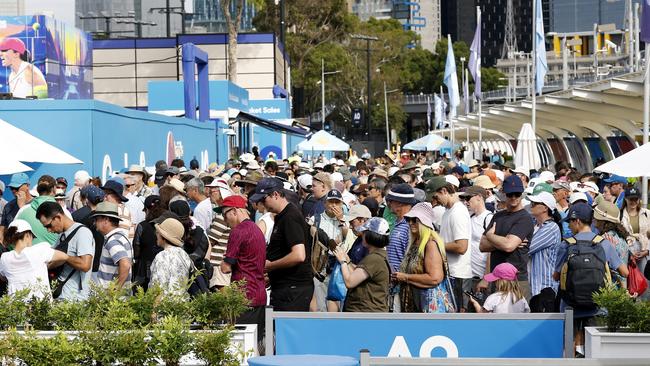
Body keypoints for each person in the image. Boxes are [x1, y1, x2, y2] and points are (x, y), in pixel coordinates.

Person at [553, 202, 629, 357]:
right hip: (598, 306)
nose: (569, 226)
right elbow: (625, 272)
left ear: (577, 221)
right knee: (595, 351)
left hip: (570, 307)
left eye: (570, 222)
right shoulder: (604, 243)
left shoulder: (566, 244)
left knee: (569, 350)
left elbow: (556, 276)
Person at [251, 178, 313, 311]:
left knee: (287, 330)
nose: (262, 204)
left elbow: (298, 255)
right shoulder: (281, 216)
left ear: (276, 194)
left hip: (293, 289)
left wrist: (271, 266)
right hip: (286, 287)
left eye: (264, 199)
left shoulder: (290, 217)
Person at [219, 195, 266, 343]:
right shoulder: (257, 230)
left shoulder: (238, 231)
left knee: (240, 346)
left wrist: (222, 263)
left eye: (224, 215)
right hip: (259, 294)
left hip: (243, 296)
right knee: (255, 345)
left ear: (233, 211)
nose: (225, 221)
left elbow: (226, 267)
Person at [479, 175, 534, 300]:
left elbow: (508, 246)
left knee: (518, 319)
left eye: (517, 194)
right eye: (510, 194)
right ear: (504, 194)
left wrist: (491, 236)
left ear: (522, 194)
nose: (514, 197)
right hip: (496, 279)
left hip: (516, 281)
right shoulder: (498, 216)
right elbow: (482, 246)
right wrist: (503, 241)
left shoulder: (524, 218)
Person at [394, 202, 455, 313]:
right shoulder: (416, 242)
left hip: (429, 307)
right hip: (415, 303)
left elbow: (435, 278)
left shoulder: (430, 244)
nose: (411, 223)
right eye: (408, 220)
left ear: (424, 222)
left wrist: (406, 277)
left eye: (415, 220)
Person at [428, 176, 472, 311]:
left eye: (436, 197)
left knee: (457, 318)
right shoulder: (448, 211)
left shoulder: (458, 212)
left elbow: (461, 246)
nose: (435, 201)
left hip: (458, 275)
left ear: (444, 191)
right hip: (450, 273)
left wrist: (436, 244)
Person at [36, 201, 95, 301]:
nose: (49, 230)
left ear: (58, 217)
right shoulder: (62, 234)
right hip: (61, 294)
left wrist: (65, 257)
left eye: (48, 226)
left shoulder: (82, 233)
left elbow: (85, 265)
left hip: (75, 299)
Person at [333, 217, 390, 312]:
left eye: (364, 233)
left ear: (370, 236)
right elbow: (358, 274)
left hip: (366, 314)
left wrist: (342, 261)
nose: (362, 235)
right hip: (366, 313)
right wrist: (348, 261)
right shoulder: (379, 255)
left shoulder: (374, 259)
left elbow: (349, 282)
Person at [0, 220, 68, 299]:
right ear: (27, 235)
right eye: (32, 237)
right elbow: (64, 257)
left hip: (16, 307)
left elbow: (3, 277)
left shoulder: (5, 257)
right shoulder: (38, 250)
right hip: (39, 306)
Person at [527, 192, 561, 297]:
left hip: (544, 287)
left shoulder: (551, 228)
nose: (531, 205)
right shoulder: (535, 225)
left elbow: (527, 247)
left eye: (535, 203)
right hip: (533, 285)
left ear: (545, 208)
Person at [92, 201, 133, 289]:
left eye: (97, 219)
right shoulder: (120, 237)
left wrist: (114, 292)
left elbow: (125, 265)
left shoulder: (113, 240)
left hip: (115, 299)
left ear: (106, 220)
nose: (95, 223)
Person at [460, 186, 493, 293]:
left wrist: (486, 278)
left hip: (481, 277)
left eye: (468, 198)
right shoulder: (470, 217)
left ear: (479, 197)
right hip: (467, 275)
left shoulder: (489, 218)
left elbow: (491, 252)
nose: (466, 202)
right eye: (464, 200)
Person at [592, 199, 631, 286]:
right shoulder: (620, 235)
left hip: (611, 289)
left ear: (604, 221)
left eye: (597, 219)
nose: (594, 220)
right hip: (622, 287)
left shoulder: (605, 239)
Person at [150, 217, 192, 296]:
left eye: (158, 232)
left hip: (165, 305)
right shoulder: (183, 254)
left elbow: (158, 288)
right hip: (181, 303)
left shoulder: (162, 256)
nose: (156, 234)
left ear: (164, 237)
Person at [14, 175, 59, 246]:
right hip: (55, 255)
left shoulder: (23, 210)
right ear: (54, 189)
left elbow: (12, 238)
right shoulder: (64, 212)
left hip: (28, 255)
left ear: (38, 189)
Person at [205, 178, 233, 289]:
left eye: (213, 191)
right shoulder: (224, 214)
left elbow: (210, 242)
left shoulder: (222, 216)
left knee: (222, 298)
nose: (210, 193)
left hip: (218, 264)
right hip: (222, 262)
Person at [132, 195, 164, 290]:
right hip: (162, 267)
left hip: (143, 269)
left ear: (146, 210)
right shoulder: (166, 224)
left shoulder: (142, 226)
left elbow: (136, 248)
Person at [619, 187, 650, 274]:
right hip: (626, 253)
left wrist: (647, 251)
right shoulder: (620, 215)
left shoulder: (647, 213)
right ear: (625, 199)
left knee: (644, 279)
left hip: (644, 252)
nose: (633, 202)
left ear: (639, 199)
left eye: (635, 199)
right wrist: (629, 252)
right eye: (630, 199)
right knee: (629, 280)